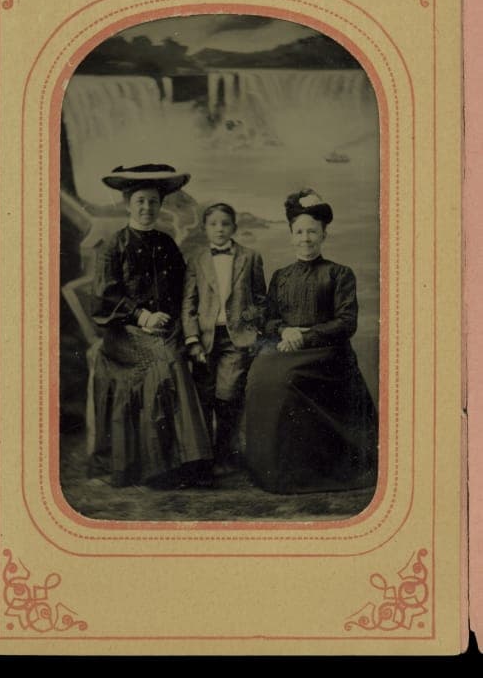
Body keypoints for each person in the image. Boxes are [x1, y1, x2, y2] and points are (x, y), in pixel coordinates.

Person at [244, 189, 378, 494]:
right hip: (287, 347)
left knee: (286, 380)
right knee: (258, 376)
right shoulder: (281, 276)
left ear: (324, 234)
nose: (306, 238)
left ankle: (304, 472)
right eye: (300, 232)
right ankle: (270, 468)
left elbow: (346, 323)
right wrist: (283, 331)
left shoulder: (340, 274)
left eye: (312, 232)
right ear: (291, 235)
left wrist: (304, 336)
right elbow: (269, 318)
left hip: (328, 354)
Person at [88, 163, 213, 488]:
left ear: (161, 205)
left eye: (153, 202)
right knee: (163, 362)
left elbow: (183, 289)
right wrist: (142, 316)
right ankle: (160, 468)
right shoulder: (113, 246)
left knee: (174, 358)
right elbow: (104, 297)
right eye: (140, 201)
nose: (147, 208)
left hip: (165, 328)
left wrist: (175, 323)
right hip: (123, 332)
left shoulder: (167, 244)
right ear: (128, 203)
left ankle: (192, 461)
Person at [182, 203, 266, 473]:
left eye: (225, 224)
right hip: (205, 338)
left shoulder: (250, 257)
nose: (219, 229)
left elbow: (261, 299)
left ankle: (224, 452)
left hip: (236, 338)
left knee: (228, 394)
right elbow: (189, 303)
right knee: (204, 396)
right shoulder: (197, 259)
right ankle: (204, 458)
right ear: (205, 228)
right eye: (213, 224)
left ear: (234, 228)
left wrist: (251, 322)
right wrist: (192, 339)